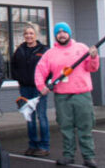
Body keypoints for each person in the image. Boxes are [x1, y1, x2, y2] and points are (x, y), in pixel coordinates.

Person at [35, 22, 99, 168]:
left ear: (69, 33)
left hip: (82, 95)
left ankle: (89, 157)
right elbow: (40, 70)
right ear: (55, 35)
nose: (62, 34)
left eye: (64, 31)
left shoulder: (82, 48)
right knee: (66, 128)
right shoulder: (50, 54)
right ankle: (68, 156)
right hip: (62, 97)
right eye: (58, 32)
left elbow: (92, 68)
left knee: (85, 128)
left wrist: (94, 57)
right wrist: (41, 86)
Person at [11, 24, 50, 157]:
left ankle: (44, 146)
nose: (29, 36)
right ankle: (32, 145)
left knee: (41, 117)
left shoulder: (44, 50)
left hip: (39, 89)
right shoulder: (20, 50)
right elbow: (13, 66)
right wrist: (19, 79)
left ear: (36, 35)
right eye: (26, 33)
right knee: (29, 118)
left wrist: (46, 83)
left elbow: (50, 68)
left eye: (31, 33)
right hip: (25, 88)